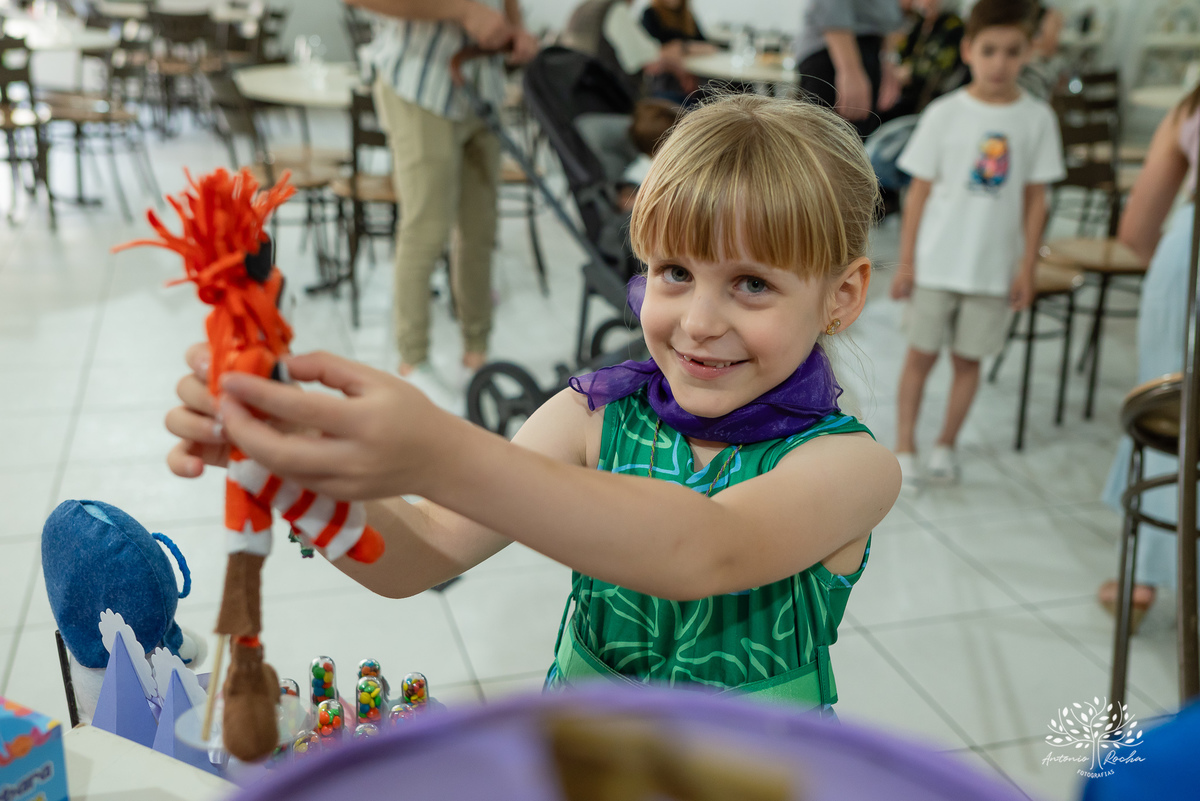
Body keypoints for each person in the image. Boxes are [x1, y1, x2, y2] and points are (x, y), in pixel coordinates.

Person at [164, 94, 901, 710]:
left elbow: (703, 549)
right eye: (675, 271)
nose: (699, 320)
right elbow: (419, 554)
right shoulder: (597, 417)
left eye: (751, 284)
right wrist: (294, 460)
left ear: (842, 295)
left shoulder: (849, 466)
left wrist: (439, 450)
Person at [889, 0, 1065, 486]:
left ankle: (945, 443)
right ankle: (905, 443)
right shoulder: (944, 114)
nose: (1000, 62)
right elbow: (918, 194)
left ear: (1028, 53)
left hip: (992, 270)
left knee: (969, 361)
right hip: (936, 265)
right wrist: (906, 264)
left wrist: (1026, 267)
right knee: (920, 356)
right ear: (968, 50)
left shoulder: (1037, 120)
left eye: (1012, 52)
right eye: (989, 50)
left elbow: (1036, 201)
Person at [349, 0, 540, 389]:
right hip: (420, 82)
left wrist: (515, 27)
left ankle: (477, 356)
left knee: (479, 231)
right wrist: (463, 10)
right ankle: (412, 363)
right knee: (426, 229)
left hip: (482, 84)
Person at [1098, 83, 1200, 630]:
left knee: (1173, 410)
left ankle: (1143, 579)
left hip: (1189, 260)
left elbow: (1137, 232)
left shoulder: (1191, 104)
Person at [794, 0, 905, 139]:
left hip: (870, 48)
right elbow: (831, 8)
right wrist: (849, 69)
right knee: (826, 145)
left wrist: (888, 61)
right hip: (834, 51)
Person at [562, 0, 699, 102]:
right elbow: (651, 63)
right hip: (619, 101)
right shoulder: (614, 9)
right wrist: (680, 71)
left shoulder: (583, 9)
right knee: (693, 103)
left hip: (588, 98)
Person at [640, 0, 716, 54]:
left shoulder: (688, 17)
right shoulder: (651, 14)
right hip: (666, 69)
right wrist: (687, 47)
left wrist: (683, 47)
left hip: (692, 64)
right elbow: (656, 49)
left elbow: (706, 44)